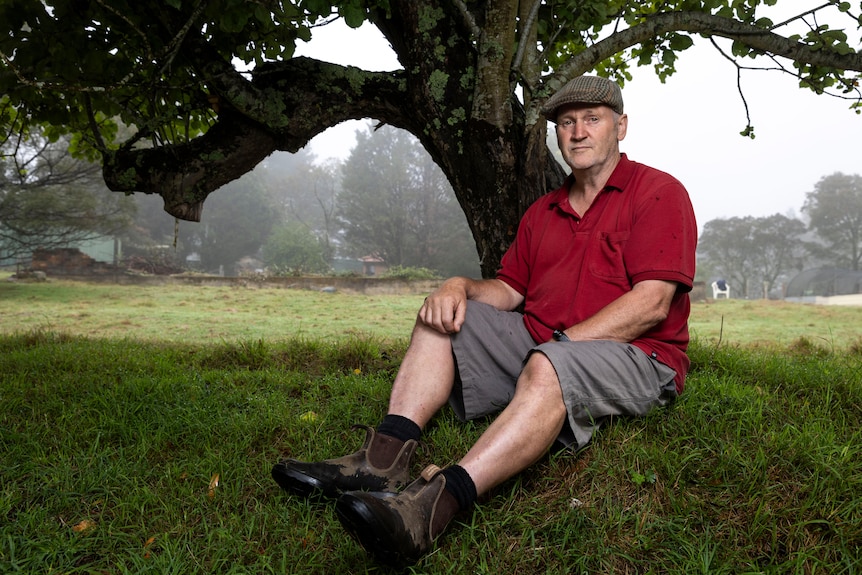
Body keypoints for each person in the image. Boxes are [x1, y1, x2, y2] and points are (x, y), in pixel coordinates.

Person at [272, 75, 698, 567]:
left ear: (620, 127)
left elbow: (651, 304)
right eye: (565, 122)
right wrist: (460, 287)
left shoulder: (658, 193)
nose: (578, 132)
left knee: (549, 364)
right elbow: (510, 290)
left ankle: (431, 508)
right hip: (545, 343)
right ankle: (381, 460)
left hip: (639, 357)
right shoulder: (544, 211)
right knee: (443, 315)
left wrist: (559, 348)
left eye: (592, 119)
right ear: (556, 135)